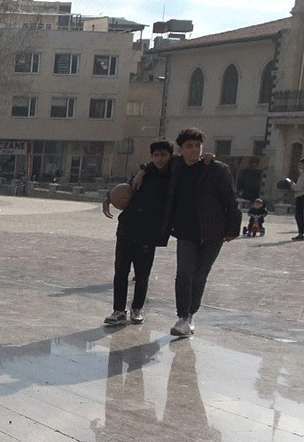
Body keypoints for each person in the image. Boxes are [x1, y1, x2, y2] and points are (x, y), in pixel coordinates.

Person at [163, 127, 240, 337]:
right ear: (181, 149)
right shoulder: (176, 167)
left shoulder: (216, 169)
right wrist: (143, 170)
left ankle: (191, 315)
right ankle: (182, 317)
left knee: (200, 275)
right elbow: (155, 166)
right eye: (189, 146)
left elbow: (230, 199)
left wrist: (233, 228)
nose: (194, 150)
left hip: (213, 231)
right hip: (186, 231)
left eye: (198, 146)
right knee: (184, 273)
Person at [103, 140, 174, 326]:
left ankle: (137, 308)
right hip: (127, 227)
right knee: (121, 271)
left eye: (164, 155)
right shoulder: (144, 173)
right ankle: (119, 310)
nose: (159, 159)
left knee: (142, 273)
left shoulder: (174, 176)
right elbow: (125, 189)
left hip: (149, 231)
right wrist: (109, 198)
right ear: (152, 157)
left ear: (170, 156)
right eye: (156, 155)